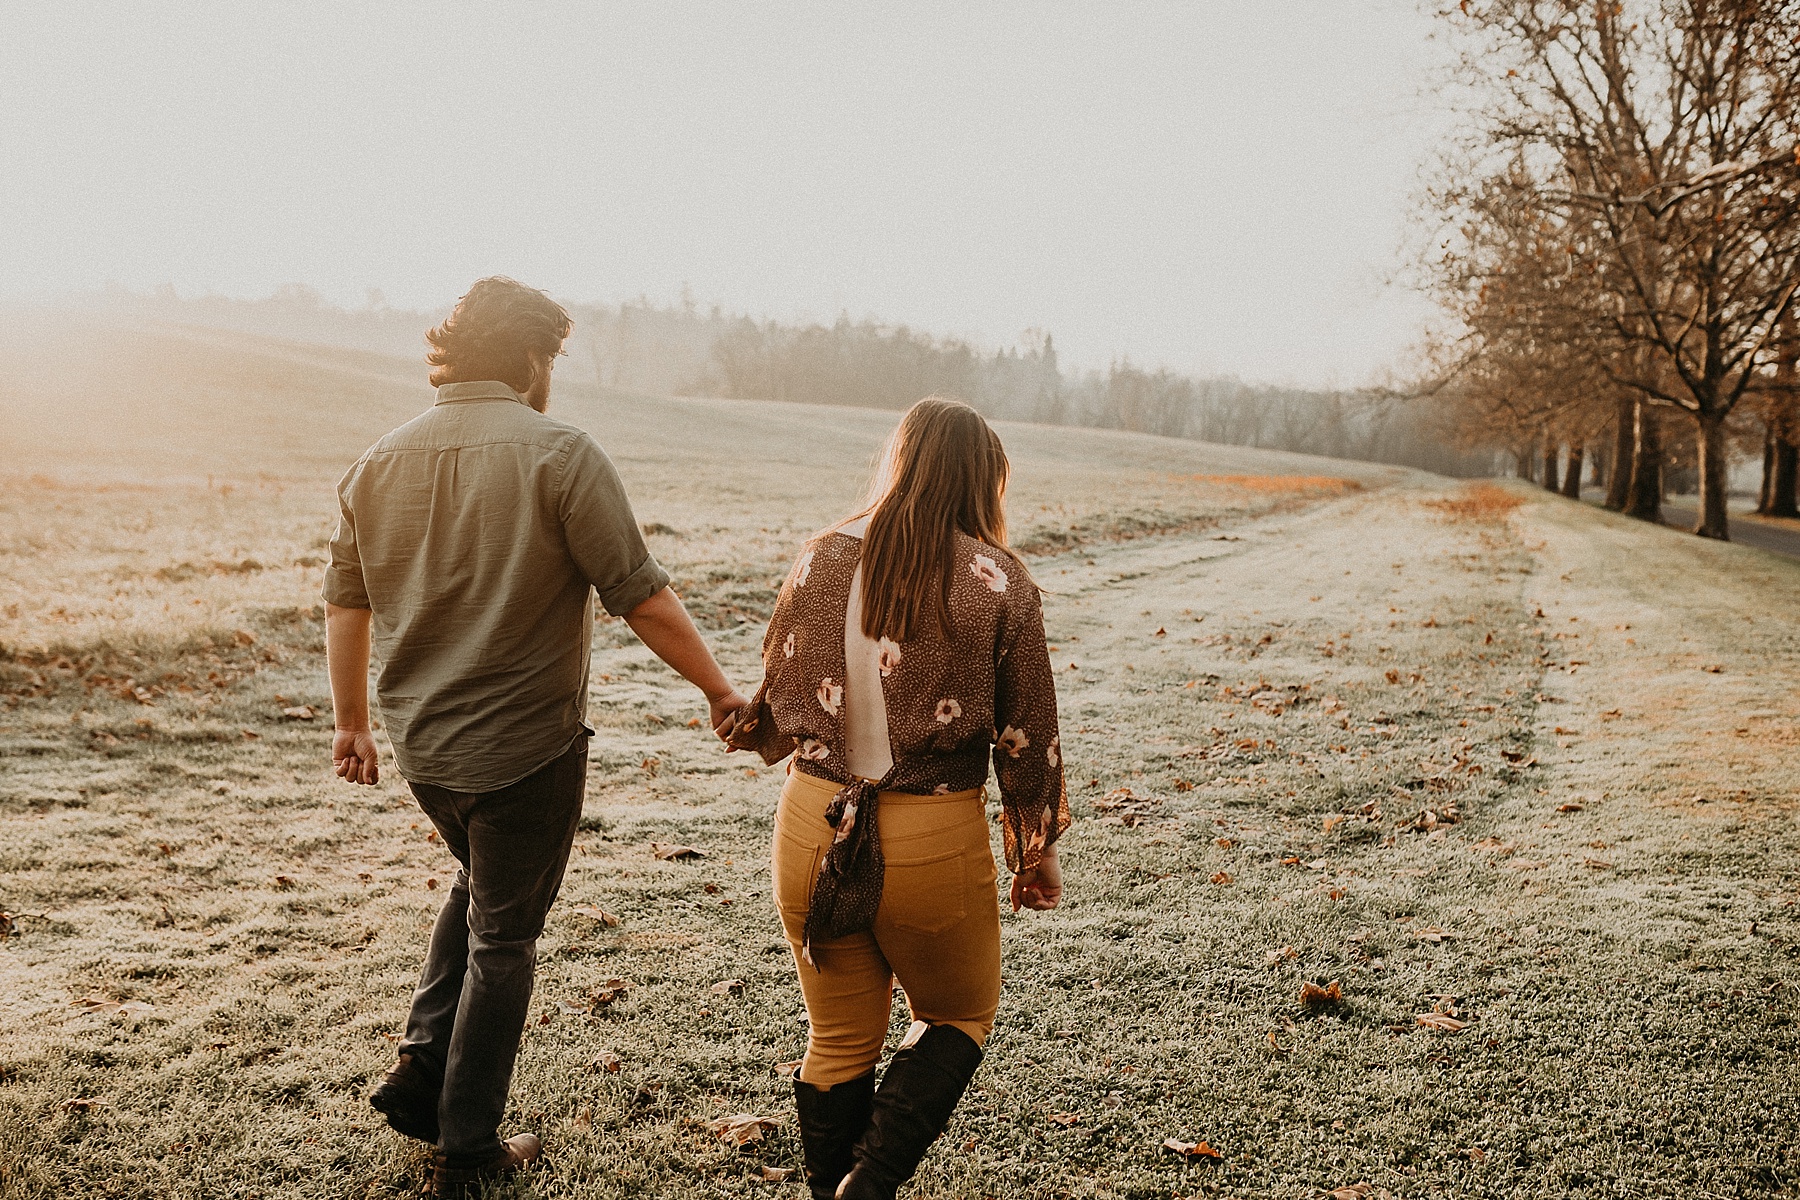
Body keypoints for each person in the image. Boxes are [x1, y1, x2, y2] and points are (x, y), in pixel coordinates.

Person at [322, 277, 747, 1197]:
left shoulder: (374, 463)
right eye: (549, 357)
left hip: (425, 750)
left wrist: (351, 723)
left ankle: (420, 1067)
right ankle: (467, 1150)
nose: (551, 374)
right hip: (528, 749)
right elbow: (637, 592)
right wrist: (718, 690)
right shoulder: (561, 454)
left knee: (480, 884)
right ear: (527, 358)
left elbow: (346, 602)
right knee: (504, 940)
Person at [728, 397, 1069, 1200]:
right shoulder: (998, 580)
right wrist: (1036, 848)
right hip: (931, 833)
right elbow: (1029, 732)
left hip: (813, 822)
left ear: (899, 460)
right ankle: (870, 1185)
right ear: (983, 480)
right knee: (958, 1014)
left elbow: (772, 705)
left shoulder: (818, 557)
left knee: (839, 1037)